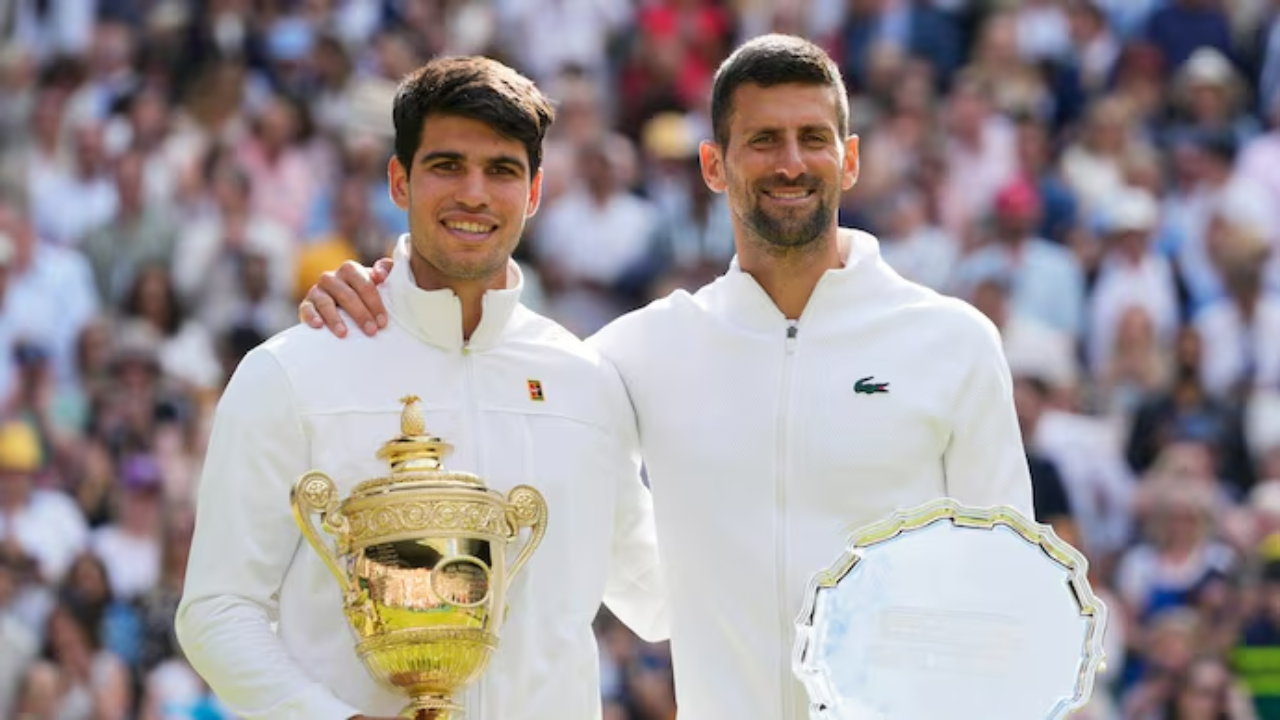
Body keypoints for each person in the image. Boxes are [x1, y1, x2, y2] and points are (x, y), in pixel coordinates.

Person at [301, 35, 1034, 719]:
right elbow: (485, 362)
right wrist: (385, 298)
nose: (789, 163)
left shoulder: (954, 343)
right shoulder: (635, 353)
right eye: (762, 140)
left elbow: (1010, 591)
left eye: (812, 138)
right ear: (714, 164)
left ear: (849, 160)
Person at [175, 56, 667, 720]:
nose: (473, 193)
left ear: (536, 191)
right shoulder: (291, 371)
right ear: (399, 181)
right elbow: (217, 610)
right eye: (446, 166)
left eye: (502, 170)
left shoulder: (586, 382)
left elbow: (658, 597)